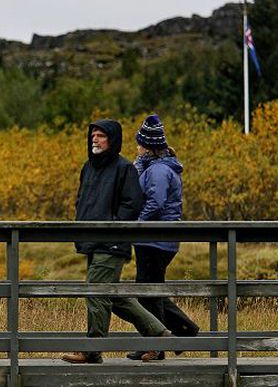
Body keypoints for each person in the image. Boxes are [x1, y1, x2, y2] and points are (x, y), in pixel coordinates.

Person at [61, 119, 172, 364]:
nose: (95, 140)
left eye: (100, 136)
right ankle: (158, 333)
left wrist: (113, 225)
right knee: (114, 296)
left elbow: (132, 205)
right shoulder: (88, 167)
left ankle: (92, 350)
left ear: (112, 140)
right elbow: (81, 199)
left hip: (112, 242)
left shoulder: (124, 168)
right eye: (93, 136)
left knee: (96, 291)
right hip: (91, 240)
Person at [126, 114, 200, 361]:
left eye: (139, 144)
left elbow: (156, 203)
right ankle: (181, 330)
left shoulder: (158, 170)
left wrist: (137, 224)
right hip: (157, 239)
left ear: (148, 147)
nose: (136, 148)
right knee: (151, 290)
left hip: (155, 239)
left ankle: (157, 344)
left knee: (148, 292)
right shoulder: (155, 167)